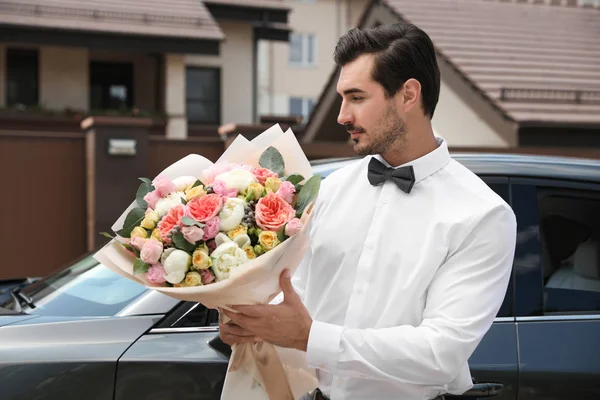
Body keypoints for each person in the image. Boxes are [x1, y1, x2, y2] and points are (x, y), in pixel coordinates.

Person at [220, 22, 517, 400]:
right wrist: (251, 321)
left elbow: (439, 353)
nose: (342, 115)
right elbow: (297, 294)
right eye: (342, 98)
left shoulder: (483, 214)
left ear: (408, 94)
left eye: (357, 97)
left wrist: (310, 337)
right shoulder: (328, 191)